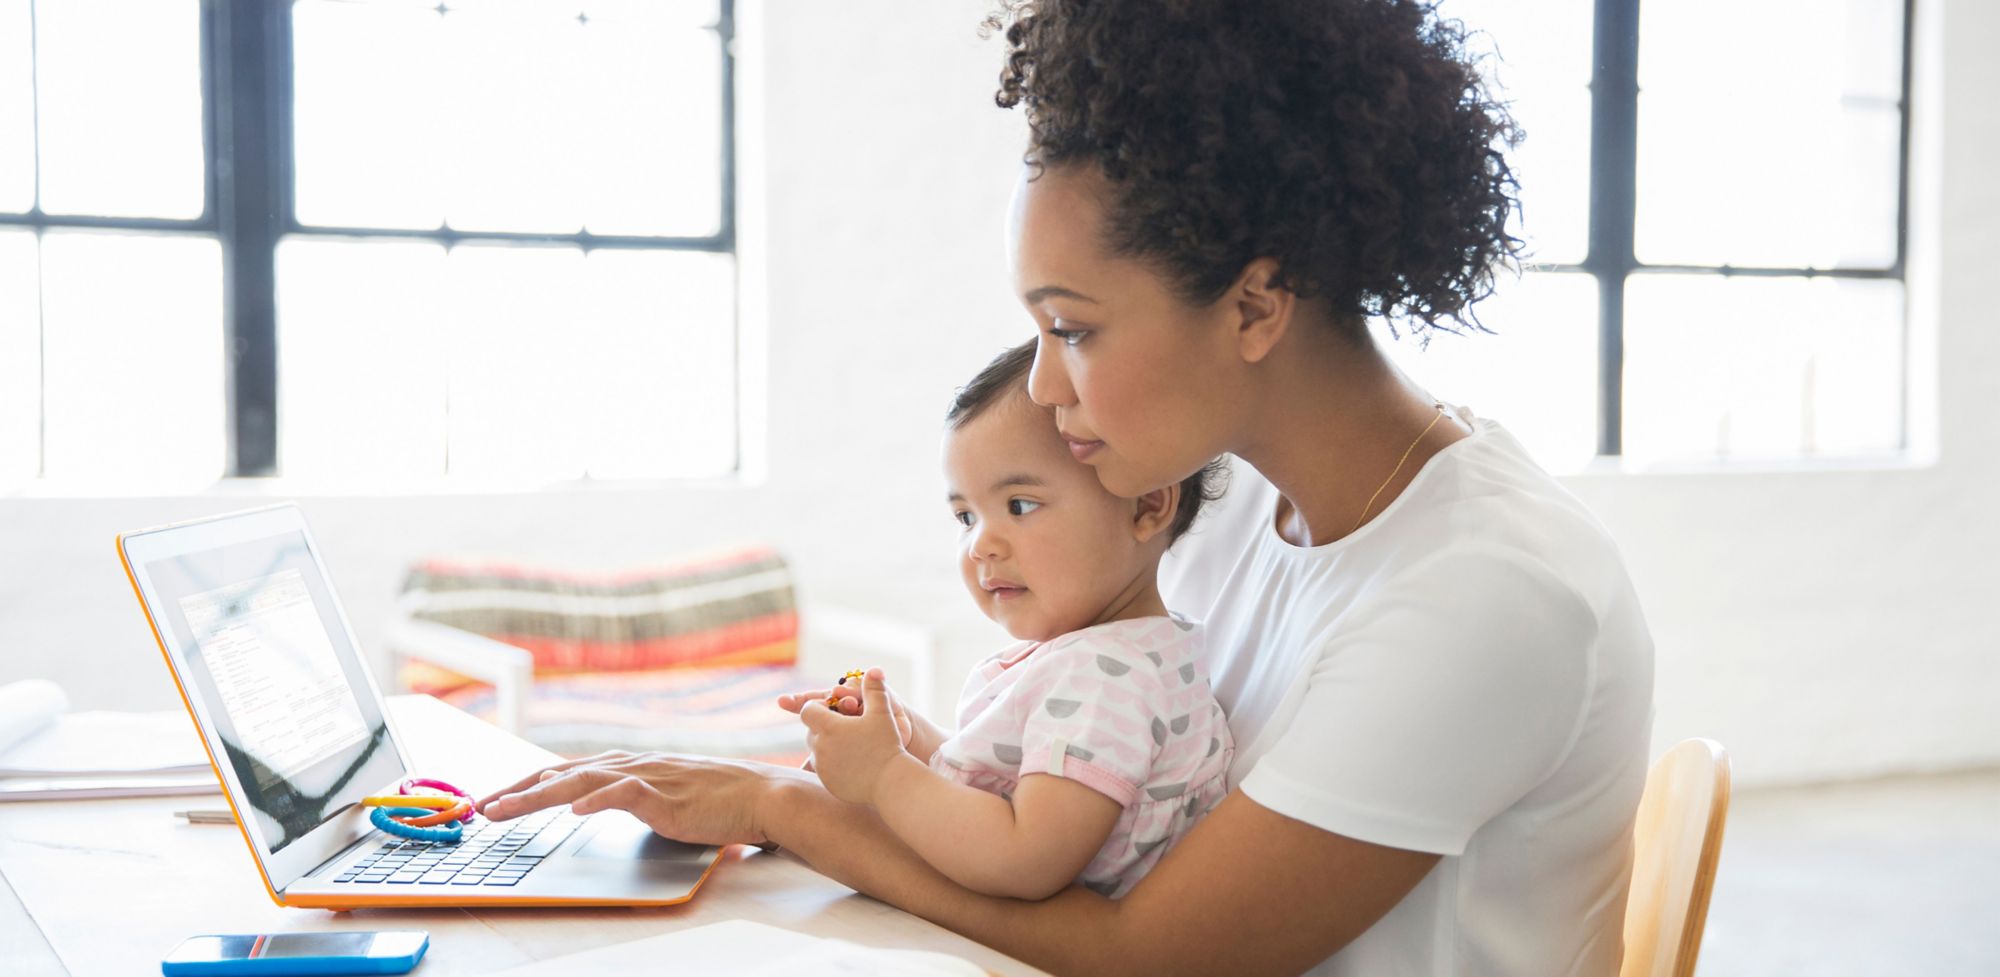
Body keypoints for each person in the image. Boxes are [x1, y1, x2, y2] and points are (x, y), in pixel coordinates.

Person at [476, 1, 1654, 974]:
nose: (1042, 384)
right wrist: (846, 773)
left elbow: (1145, 951)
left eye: (1071, 329)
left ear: (1253, 305)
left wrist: (782, 811)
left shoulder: (1482, 593)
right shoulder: (1228, 504)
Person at [771, 341, 1232, 901]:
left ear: (1146, 505)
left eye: (1019, 505)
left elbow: (1025, 858)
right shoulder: (1129, 653)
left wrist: (887, 774)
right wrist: (913, 740)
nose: (981, 544)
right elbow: (1012, 785)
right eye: (965, 516)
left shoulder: (1106, 675)